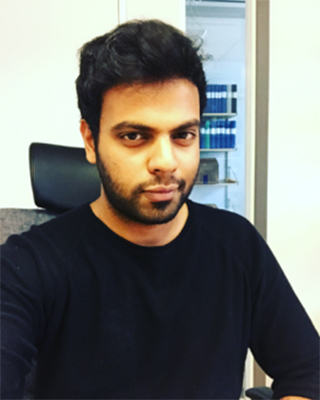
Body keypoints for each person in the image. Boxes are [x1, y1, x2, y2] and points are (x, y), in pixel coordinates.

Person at [1, 19, 319, 400]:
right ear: (90, 140)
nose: (166, 162)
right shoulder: (28, 264)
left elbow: (308, 371)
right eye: (135, 136)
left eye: (183, 135)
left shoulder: (237, 245)